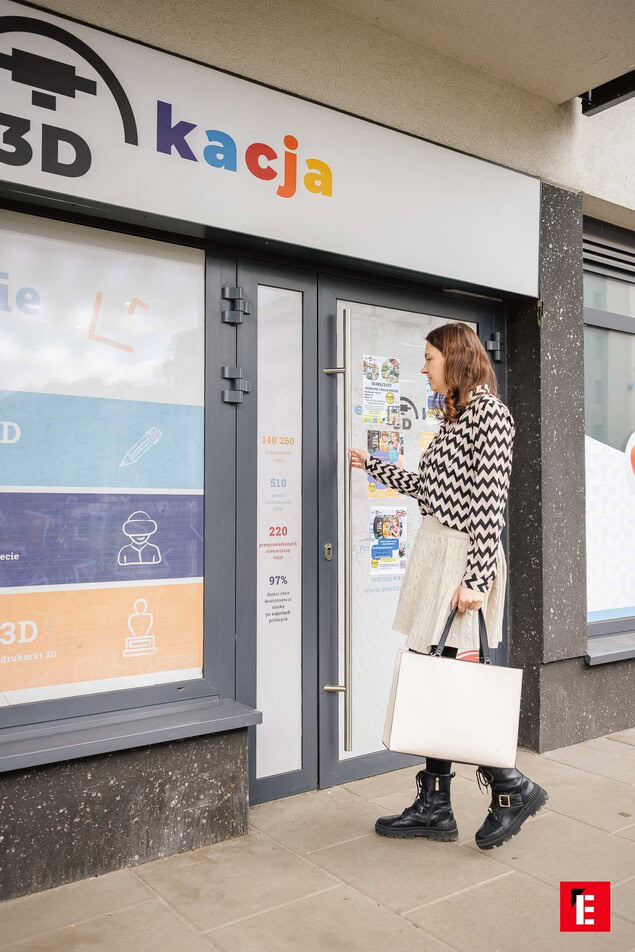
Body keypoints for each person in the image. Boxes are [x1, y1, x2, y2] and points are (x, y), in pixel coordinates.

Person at [348, 322, 548, 850]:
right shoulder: (453, 417)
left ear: (455, 360)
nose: (423, 367)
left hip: (462, 561)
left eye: (429, 358)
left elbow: (489, 504)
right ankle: (436, 804)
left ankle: (510, 787)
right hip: (437, 555)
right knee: (435, 674)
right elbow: (430, 489)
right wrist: (377, 467)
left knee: (456, 679)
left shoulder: (490, 417)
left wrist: (476, 581)